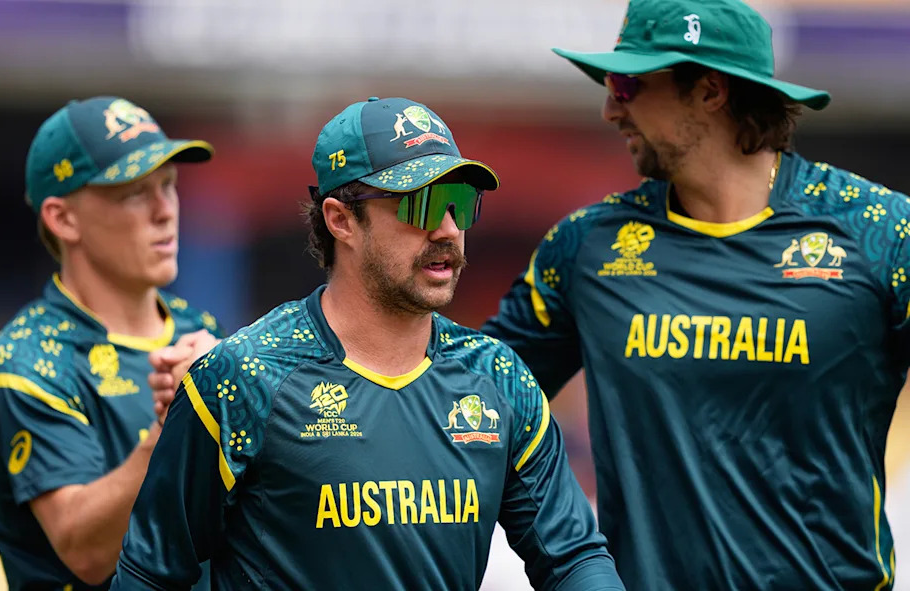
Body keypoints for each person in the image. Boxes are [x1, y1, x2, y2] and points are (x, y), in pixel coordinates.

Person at [110, 97, 625, 591]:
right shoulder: (243, 377)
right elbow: (152, 572)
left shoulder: (498, 377)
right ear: (341, 219)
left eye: (460, 203)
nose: (447, 229)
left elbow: (572, 556)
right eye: (420, 203)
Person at [482, 0, 909, 589]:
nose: (609, 109)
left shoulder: (881, 233)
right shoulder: (586, 246)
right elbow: (472, 406)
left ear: (710, 91)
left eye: (628, 85)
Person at [0, 96, 222, 590]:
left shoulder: (200, 327)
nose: (164, 212)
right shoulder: (27, 361)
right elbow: (85, 550)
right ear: (63, 219)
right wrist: (175, 423)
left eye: (169, 186)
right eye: (133, 193)